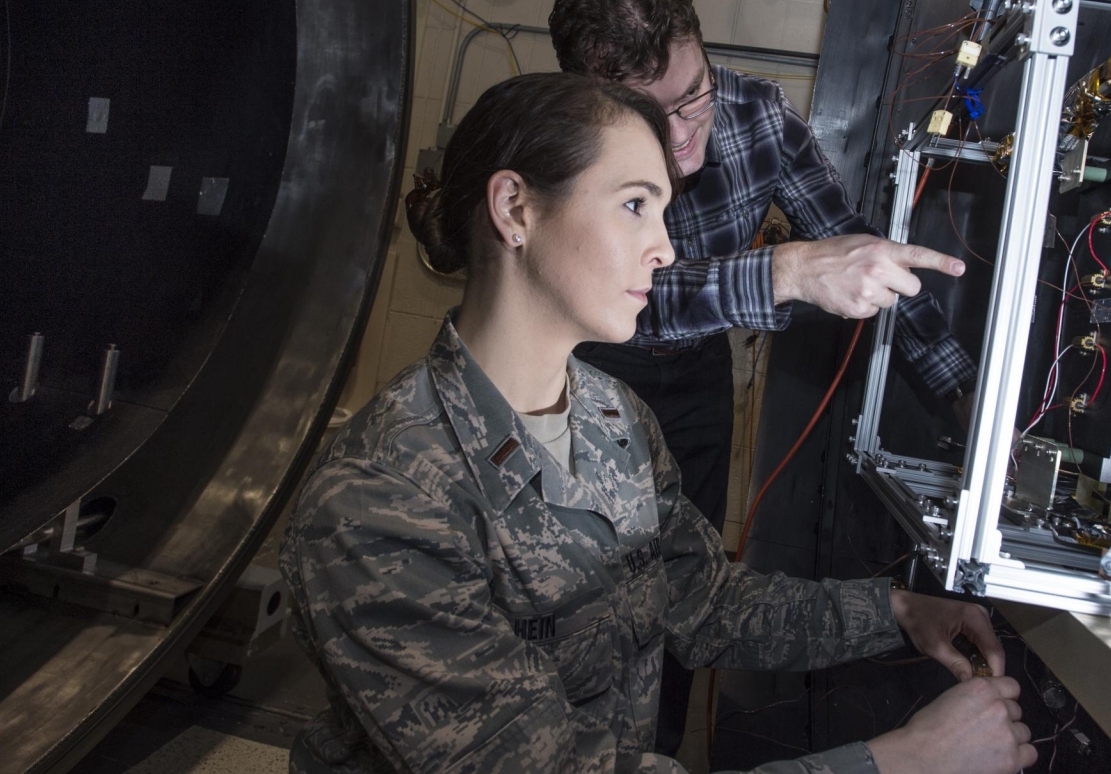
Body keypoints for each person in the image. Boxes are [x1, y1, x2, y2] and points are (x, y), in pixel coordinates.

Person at [280, 72, 1034, 774]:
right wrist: (898, 761)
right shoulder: (383, 500)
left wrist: (899, 610)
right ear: (515, 209)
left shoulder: (614, 416)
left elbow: (703, 600)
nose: (667, 247)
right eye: (636, 204)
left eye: (665, 211)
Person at [550, 0, 982, 752]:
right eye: (650, 118)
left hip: (695, 379)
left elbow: (851, 248)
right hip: (586, 367)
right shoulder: (560, 147)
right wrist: (783, 270)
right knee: (571, 606)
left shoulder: (756, 116)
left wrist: (960, 386)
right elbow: (633, 301)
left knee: (683, 595)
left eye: (694, 96)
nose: (683, 140)